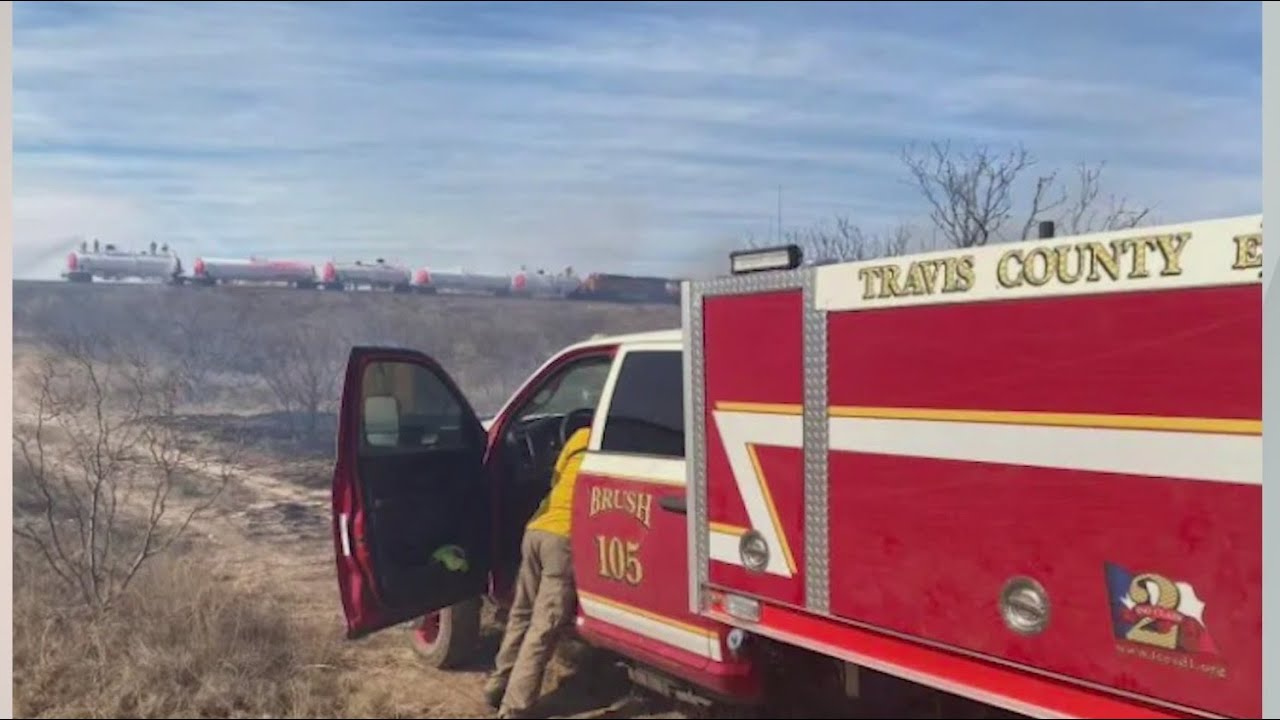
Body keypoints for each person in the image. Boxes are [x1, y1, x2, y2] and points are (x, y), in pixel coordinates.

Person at [484, 424, 592, 719]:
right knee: (544, 625)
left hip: (536, 529)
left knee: (520, 613)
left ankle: (497, 684)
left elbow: (556, 479)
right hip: (564, 539)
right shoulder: (609, 447)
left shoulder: (579, 437)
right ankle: (515, 706)